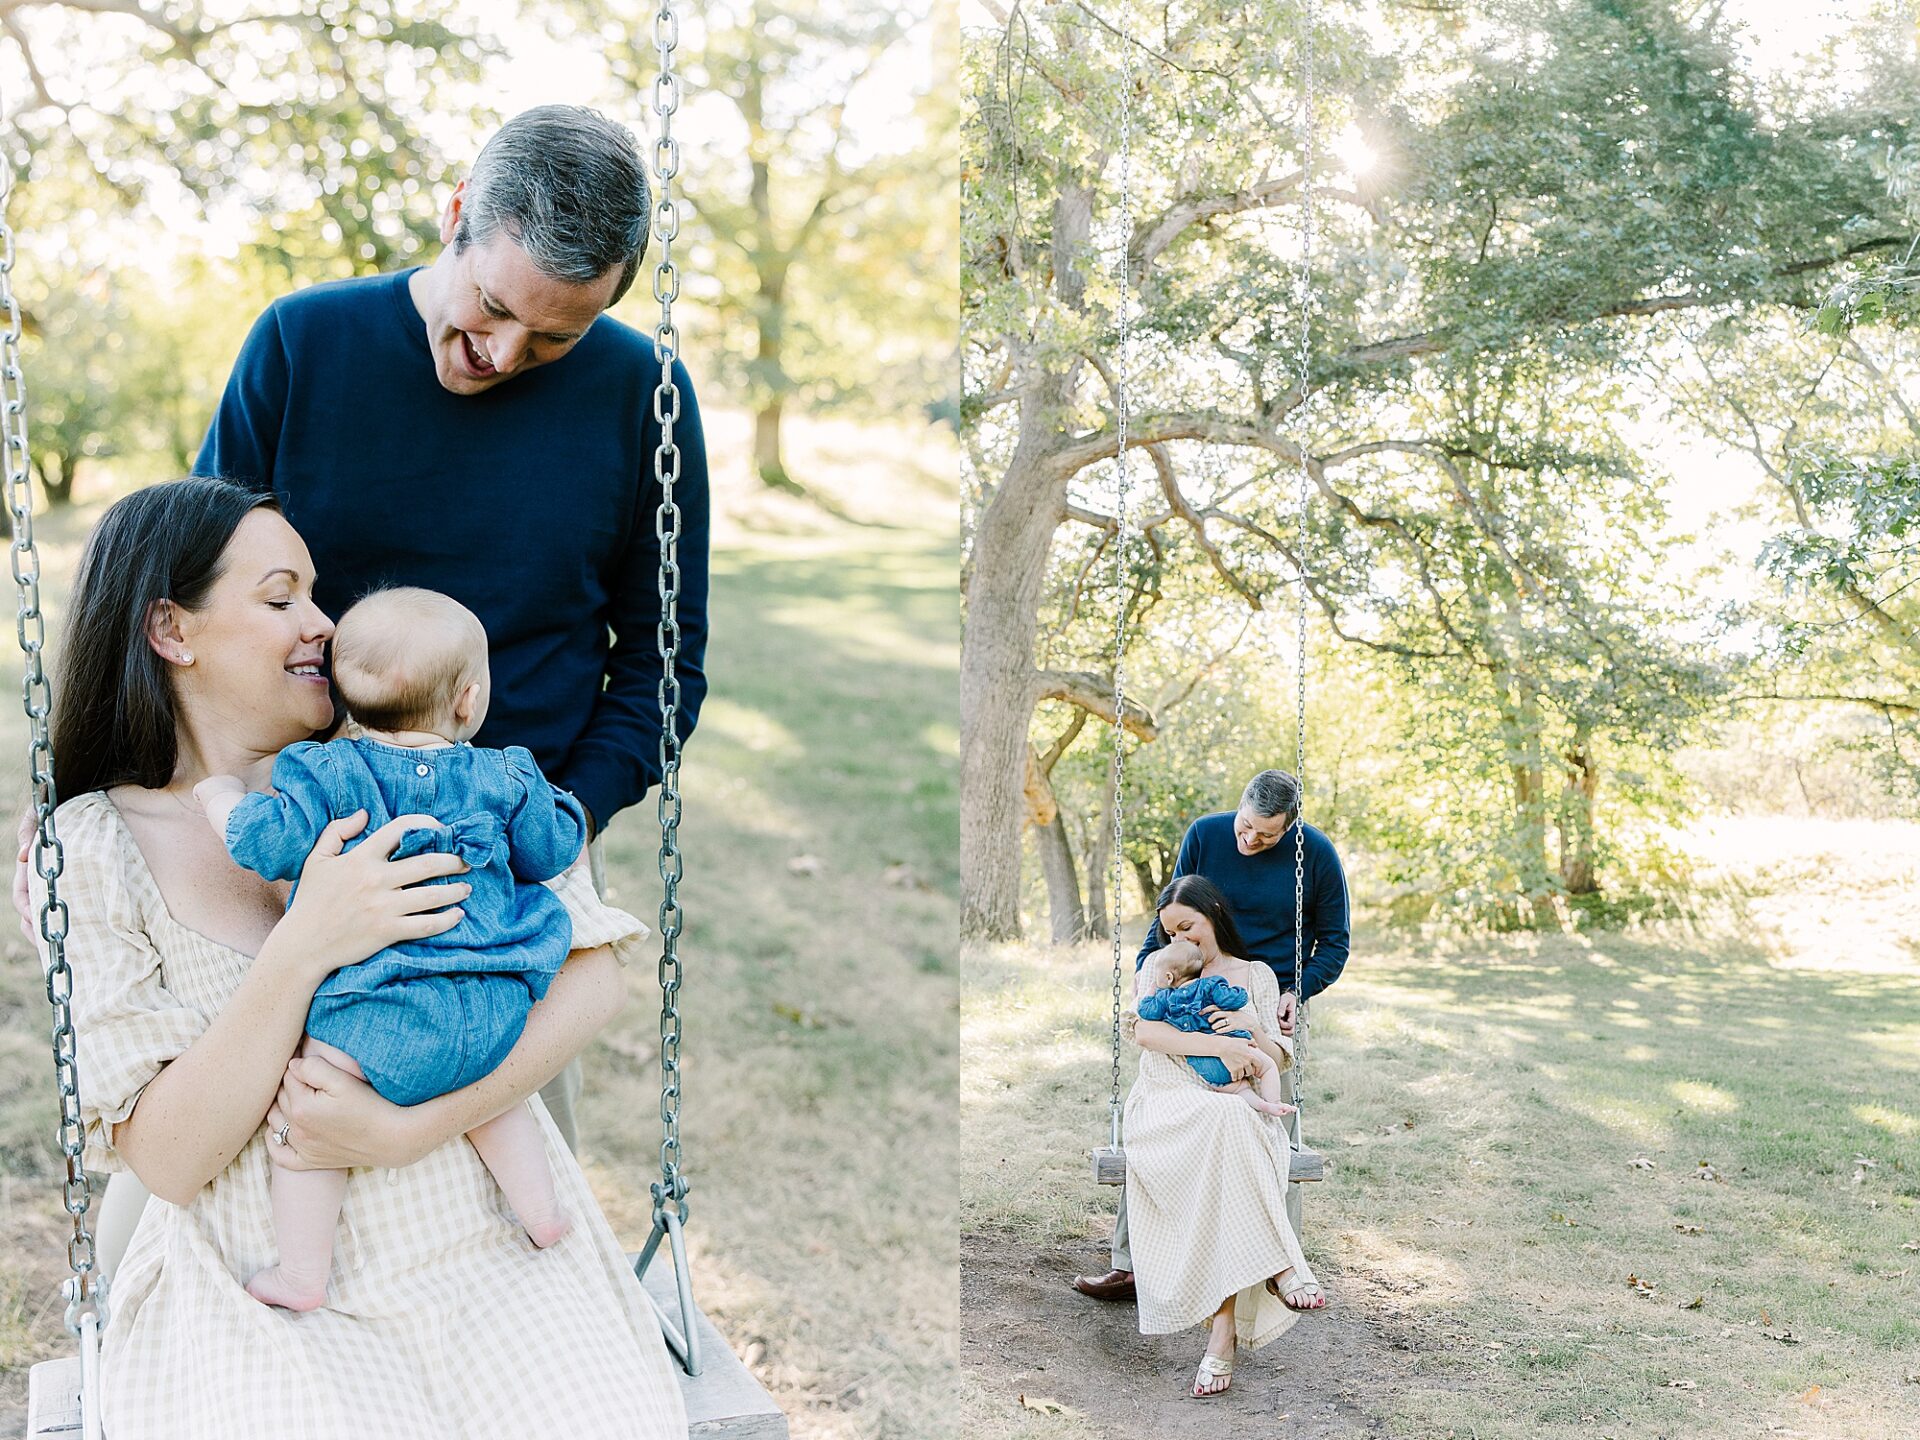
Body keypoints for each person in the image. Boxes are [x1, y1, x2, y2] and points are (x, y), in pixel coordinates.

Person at [30, 479, 686, 1437]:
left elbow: (597, 974)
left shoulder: (422, 763)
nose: (323, 623)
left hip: (489, 1252)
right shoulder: (97, 846)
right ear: (173, 630)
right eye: (281, 596)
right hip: (272, 1286)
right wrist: (305, 947)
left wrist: (409, 1129)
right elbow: (167, 1159)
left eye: (318, 594)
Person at [191, 102, 710, 1157]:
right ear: (458, 214)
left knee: (509, 1186)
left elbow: (665, 665)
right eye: (491, 307)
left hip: (513, 852)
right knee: (235, 1152)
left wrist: (565, 816)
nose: (504, 354)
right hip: (294, 824)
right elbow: (196, 592)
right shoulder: (302, 343)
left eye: (556, 337)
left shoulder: (643, 394)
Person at [195, 587, 592, 1311]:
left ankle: (302, 1275)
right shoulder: (502, 774)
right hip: (497, 1000)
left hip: (379, 1021)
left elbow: (263, 841)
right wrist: (556, 806)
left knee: (310, 1120)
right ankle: (542, 1213)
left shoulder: (323, 774)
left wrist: (221, 798)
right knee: (495, 1100)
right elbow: (553, 849)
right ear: (469, 701)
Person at [1074, 768, 1349, 1304]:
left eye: (1266, 835)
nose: (1250, 841)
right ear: (1239, 808)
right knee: (1165, 1105)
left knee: (1270, 1127)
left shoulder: (1314, 854)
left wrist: (1299, 990)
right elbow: (1175, 912)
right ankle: (1133, 1264)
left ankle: (1281, 1260)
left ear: (1291, 826)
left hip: (1265, 997)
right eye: (1246, 827)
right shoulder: (1205, 833)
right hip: (1195, 986)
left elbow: (1335, 942)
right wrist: (1148, 967)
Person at [1122, 876, 1321, 1397]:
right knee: (1225, 1126)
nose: (1180, 941)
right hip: (1168, 1100)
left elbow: (1275, 1056)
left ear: (1213, 914)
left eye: (1188, 926)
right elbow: (1146, 1032)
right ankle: (1281, 1265)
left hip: (1236, 1099)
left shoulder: (1254, 975)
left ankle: (1222, 1334)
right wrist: (1212, 1042)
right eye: (1170, 932)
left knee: (1231, 1127)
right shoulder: (1157, 969)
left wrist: (1247, 1026)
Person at [1134, 936, 1297, 1118]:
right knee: (1267, 1068)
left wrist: (1150, 993)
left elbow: (1148, 1012)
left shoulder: (1164, 998)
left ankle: (1258, 1103)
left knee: (1239, 1090)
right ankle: (1273, 1103)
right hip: (1237, 1044)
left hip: (1205, 1063)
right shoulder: (1211, 985)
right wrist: (1238, 991)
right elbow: (1235, 999)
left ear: (1168, 976)